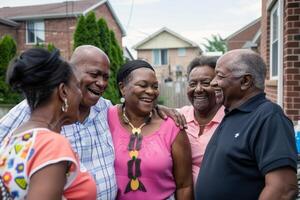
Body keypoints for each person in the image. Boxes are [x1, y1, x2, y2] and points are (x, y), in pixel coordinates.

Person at [0, 45, 185, 200]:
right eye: (94, 74)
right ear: (65, 87)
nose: (102, 83)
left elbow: (132, 110)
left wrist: (157, 108)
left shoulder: (104, 109)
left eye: (105, 77)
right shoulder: (39, 126)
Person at [0, 45, 117, 199]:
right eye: (76, 87)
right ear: (63, 92)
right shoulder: (53, 144)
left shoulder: (15, 137)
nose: (79, 93)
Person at [196, 49, 298, 200]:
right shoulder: (232, 112)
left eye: (220, 76)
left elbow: (283, 189)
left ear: (245, 81)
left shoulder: (269, 117)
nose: (213, 82)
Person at [108, 60, 193, 200]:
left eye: (155, 86)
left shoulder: (172, 126)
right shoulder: (106, 117)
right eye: (142, 85)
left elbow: (184, 185)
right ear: (123, 88)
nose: (150, 91)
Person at [177, 56, 224, 184]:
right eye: (192, 84)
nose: (198, 89)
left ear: (218, 84)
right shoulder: (179, 116)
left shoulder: (231, 119)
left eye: (205, 83)